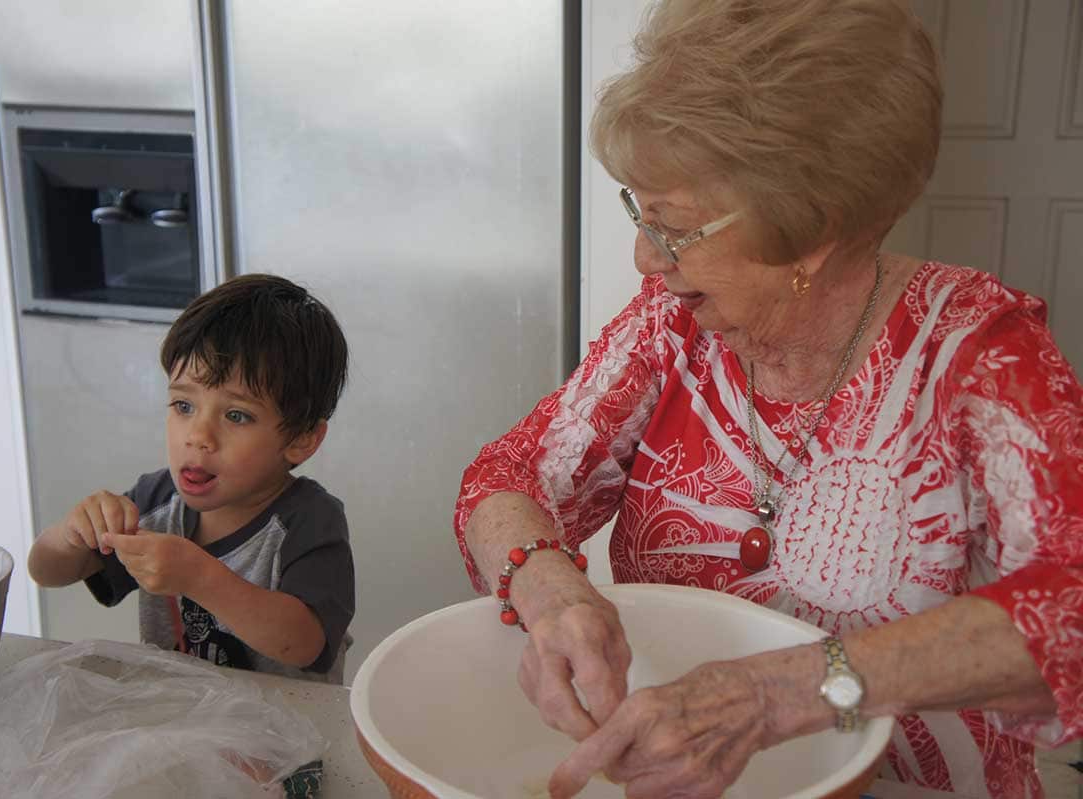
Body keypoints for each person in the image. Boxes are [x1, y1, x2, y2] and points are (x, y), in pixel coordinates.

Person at [454, 1, 1081, 796]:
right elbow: (508, 475)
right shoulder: (673, 326)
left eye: (673, 227)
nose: (645, 257)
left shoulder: (979, 353)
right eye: (638, 213)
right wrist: (550, 591)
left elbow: (1070, 615)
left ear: (812, 230)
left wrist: (772, 695)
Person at [29, 274, 355, 683]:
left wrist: (200, 577)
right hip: (183, 724)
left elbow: (306, 644)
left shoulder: (309, 520)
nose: (198, 436)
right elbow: (46, 571)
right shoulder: (157, 501)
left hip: (286, 737)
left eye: (236, 415)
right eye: (183, 405)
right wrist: (72, 534)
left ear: (302, 439)